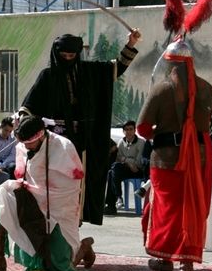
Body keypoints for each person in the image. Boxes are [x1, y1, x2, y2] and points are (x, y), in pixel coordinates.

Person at [18, 29, 141, 225]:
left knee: (80, 179)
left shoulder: (89, 71)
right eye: (64, 56)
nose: (68, 59)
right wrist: (24, 122)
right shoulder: (47, 76)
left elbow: (115, 68)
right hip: (55, 140)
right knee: (55, 179)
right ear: (56, 54)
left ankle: (77, 217)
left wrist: (130, 45)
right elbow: (28, 107)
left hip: (82, 139)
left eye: (72, 56)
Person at [137, 38, 212, 271]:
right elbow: (209, 120)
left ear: (170, 63)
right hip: (199, 158)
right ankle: (188, 267)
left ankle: (166, 260)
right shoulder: (207, 88)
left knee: (167, 212)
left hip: (166, 159)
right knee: (191, 209)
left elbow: (142, 127)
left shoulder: (161, 89)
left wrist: (157, 135)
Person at [0, 115, 95, 271]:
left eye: (28, 143)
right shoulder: (23, 147)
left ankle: (84, 246)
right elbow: (22, 176)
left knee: (57, 266)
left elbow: (72, 187)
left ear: (40, 135)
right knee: (1, 194)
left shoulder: (63, 147)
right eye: (23, 143)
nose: (25, 147)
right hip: (31, 202)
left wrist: (44, 200)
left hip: (57, 209)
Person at [104, 120, 146, 215]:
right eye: (126, 129)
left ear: (135, 130)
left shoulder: (141, 143)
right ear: (123, 131)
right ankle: (117, 199)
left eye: (131, 129)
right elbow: (118, 159)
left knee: (113, 171)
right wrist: (128, 162)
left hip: (138, 170)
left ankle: (113, 203)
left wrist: (126, 161)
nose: (129, 132)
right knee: (112, 171)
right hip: (125, 169)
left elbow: (138, 162)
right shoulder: (121, 142)